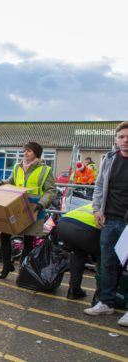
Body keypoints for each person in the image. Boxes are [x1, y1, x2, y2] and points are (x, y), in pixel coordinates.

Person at [84, 121, 128, 328]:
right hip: (109, 220)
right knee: (108, 263)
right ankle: (106, 302)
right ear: (116, 139)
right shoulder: (110, 159)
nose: (125, 140)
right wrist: (96, 209)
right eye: (121, 137)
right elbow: (99, 186)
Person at [0, 142, 56, 279]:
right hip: (16, 207)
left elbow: (51, 191)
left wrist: (41, 204)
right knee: (4, 235)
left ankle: (22, 271)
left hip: (34, 209)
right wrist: (3, 183)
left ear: (36, 153)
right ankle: (6, 266)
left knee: (28, 241)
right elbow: (11, 181)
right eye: (24, 151)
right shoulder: (18, 167)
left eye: (28, 151)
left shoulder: (45, 170)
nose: (25, 153)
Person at [56, 203, 100, 299]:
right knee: (103, 257)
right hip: (84, 229)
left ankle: (73, 290)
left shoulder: (95, 203)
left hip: (63, 224)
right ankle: (100, 297)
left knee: (78, 254)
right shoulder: (112, 208)